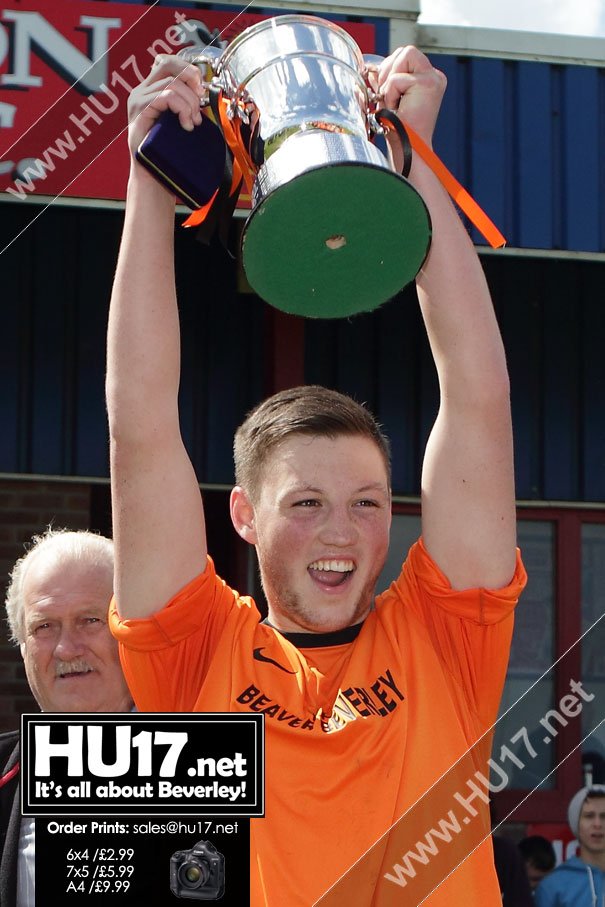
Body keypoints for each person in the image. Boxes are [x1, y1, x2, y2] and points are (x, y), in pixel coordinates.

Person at [106, 46, 526, 906]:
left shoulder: (444, 640)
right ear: (243, 515)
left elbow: (478, 394)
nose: (342, 530)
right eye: (305, 503)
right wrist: (149, 188)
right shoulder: (196, 653)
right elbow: (140, 423)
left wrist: (410, 158)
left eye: (367, 503)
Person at [0, 528, 133, 907]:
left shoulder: (212, 771)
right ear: (23, 647)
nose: (65, 647)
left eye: (90, 620)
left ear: (131, 631)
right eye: (44, 627)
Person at [535, 786, 605, 906]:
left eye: (604, 817)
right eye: (589, 816)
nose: (597, 824)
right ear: (576, 822)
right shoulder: (553, 885)